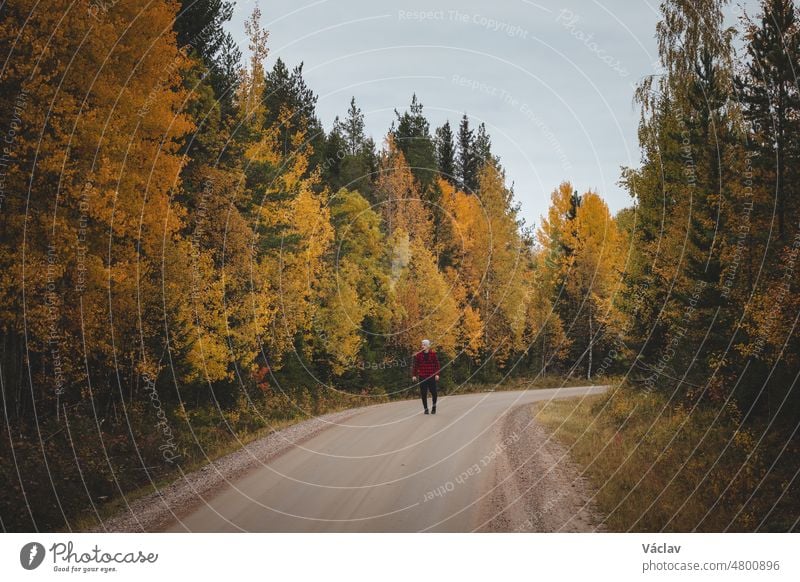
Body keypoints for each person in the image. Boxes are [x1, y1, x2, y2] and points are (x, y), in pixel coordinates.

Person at [412, 339, 440, 414]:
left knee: (434, 393)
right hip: (422, 376)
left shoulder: (433, 354)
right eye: (422, 345)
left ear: (428, 346)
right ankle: (426, 409)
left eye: (424, 345)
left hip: (431, 376)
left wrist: (437, 374)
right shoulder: (419, 355)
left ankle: (434, 408)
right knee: (423, 393)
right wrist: (414, 375)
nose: (422, 346)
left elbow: (437, 365)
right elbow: (416, 366)